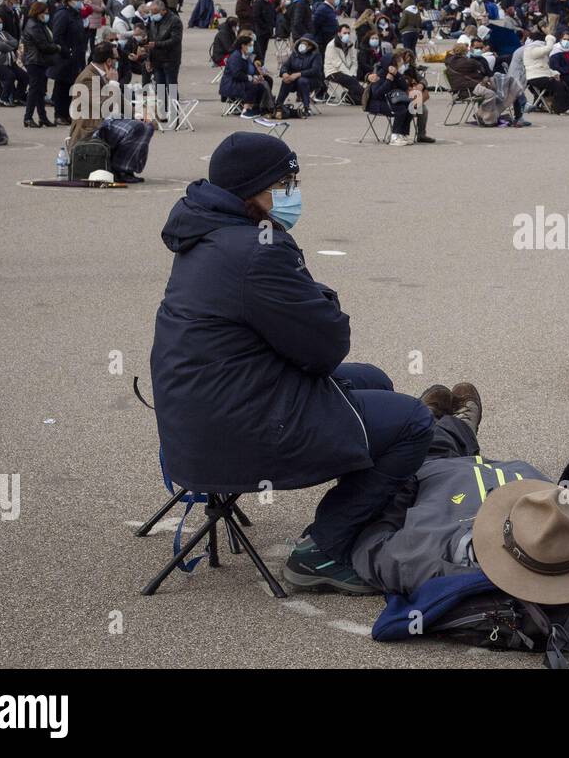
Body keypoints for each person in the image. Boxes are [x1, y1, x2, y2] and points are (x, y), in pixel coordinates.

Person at [151, 134, 442, 594]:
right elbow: (326, 346)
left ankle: (362, 508)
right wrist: (320, 294)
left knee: (375, 382)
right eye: (286, 182)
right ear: (253, 191)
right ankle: (322, 551)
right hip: (236, 428)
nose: (293, 192)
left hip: (193, 420)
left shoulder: (206, 231)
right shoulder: (258, 249)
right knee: (413, 421)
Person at [66, 42, 155, 183]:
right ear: (108, 61)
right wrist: (113, 83)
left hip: (106, 122)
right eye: (116, 59)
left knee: (146, 126)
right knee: (135, 128)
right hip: (92, 128)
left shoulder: (104, 73)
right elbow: (102, 106)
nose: (117, 62)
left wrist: (137, 115)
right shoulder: (87, 77)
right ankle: (119, 169)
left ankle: (126, 167)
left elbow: (119, 99)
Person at [21, 0, 59, 127]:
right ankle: (28, 117)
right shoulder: (34, 26)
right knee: (34, 90)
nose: (47, 15)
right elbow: (43, 45)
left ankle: (42, 117)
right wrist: (57, 48)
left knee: (40, 90)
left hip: (40, 61)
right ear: (38, 13)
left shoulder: (39, 24)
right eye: (45, 13)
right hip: (34, 61)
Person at [275, 34, 323, 116]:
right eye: (302, 43)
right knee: (286, 80)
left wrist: (299, 74)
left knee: (302, 80)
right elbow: (285, 66)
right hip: (294, 79)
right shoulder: (295, 54)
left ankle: (306, 107)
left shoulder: (316, 55)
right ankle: (278, 105)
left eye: (305, 44)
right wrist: (284, 73)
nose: (302, 45)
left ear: (310, 46)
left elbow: (315, 70)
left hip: (312, 80)